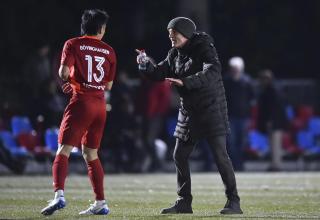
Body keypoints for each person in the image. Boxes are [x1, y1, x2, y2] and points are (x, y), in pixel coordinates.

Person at [136, 17, 242, 215]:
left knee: (220, 155)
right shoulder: (174, 53)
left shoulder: (204, 48)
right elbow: (159, 73)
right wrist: (145, 65)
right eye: (169, 34)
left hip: (211, 108)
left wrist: (186, 82)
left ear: (185, 33)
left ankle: (233, 202)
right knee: (179, 154)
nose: (171, 37)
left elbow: (212, 71)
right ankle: (184, 202)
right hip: (189, 110)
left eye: (173, 34)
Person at [41, 9, 116, 216]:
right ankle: (100, 202)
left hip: (81, 102)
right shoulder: (109, 50)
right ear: (101, 29)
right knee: (91, 153)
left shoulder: (72, 44)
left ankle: (59, 195)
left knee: (63, 149)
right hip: (100, 106)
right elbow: (108, 85)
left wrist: (71, 82)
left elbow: (63, 73)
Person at [223, 57, 255, 171]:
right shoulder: (226, 81)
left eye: (236, 68)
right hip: (230, 116)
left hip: (243, 117)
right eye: (232, 68)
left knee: (242, 142)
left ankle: (240, 164)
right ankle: (233, 164)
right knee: (231, 142)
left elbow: (252, 98)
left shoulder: (247, 81)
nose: (234, 70)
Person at [256, 69, 287, 171]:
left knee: (276, 144)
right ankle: (274, 164)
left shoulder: (273, 90)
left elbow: (274, 108)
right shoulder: (268, 90)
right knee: (272, 144)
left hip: (275, 122)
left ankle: (277, 165)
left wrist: (270, 120)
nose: (263, 81)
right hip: (272, 121)